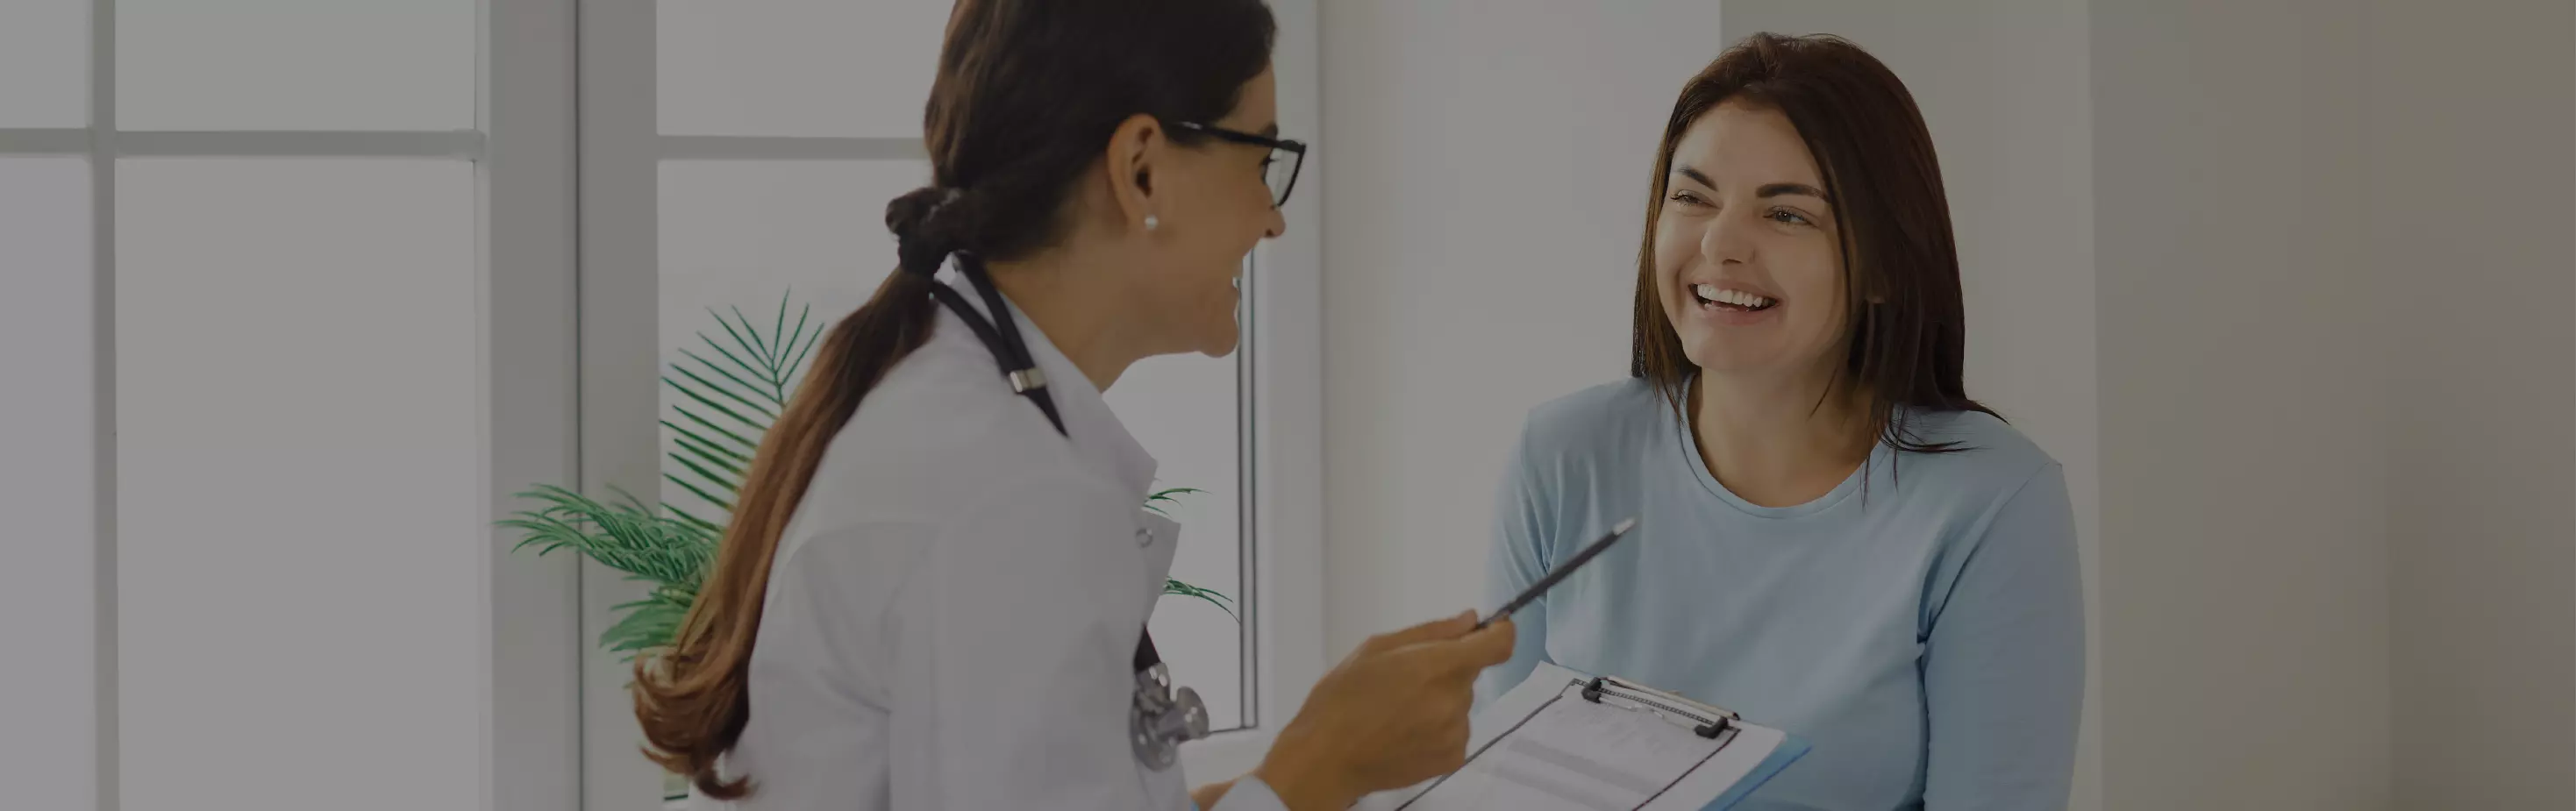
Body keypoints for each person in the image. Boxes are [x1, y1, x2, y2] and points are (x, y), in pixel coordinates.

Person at [630, 2, 1515, 809]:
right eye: (1262, 156)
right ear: (1142, 171)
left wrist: (1297, 763)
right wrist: (1327, 767)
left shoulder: (946, 407)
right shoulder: (1010, 498)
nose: (1271, 220)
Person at [1477, 32, 2084, 810]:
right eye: (1691, 197)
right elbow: (1494, 786)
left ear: (1885, 267)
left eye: (1787, 214)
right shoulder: (1560, 455)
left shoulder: (1991, 500)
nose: (1720, 244)